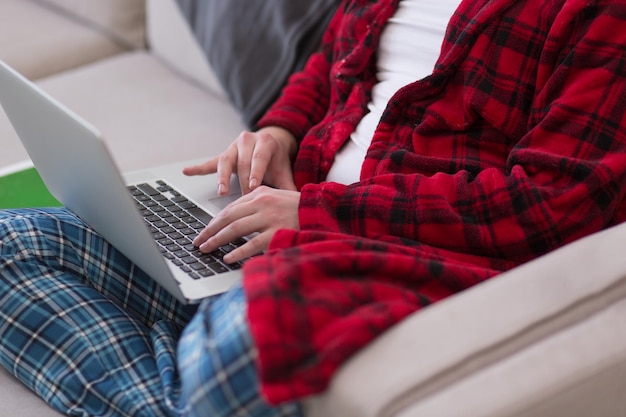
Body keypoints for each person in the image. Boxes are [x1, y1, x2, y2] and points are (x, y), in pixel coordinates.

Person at [2, 0, 626, 415]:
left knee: (241, 349)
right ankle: (177, 359)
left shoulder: (598, 14)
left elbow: (556, 204)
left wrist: (316, 214)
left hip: (387, 247)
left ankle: (184, 350)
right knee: (13, 245)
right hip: (277, 210)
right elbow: (327, 63)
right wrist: (279, 132)